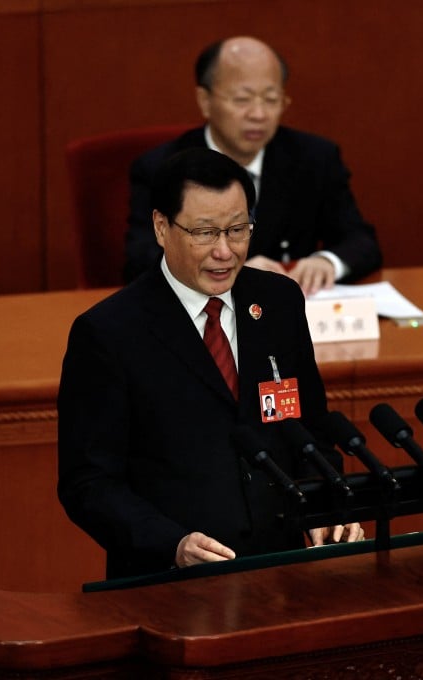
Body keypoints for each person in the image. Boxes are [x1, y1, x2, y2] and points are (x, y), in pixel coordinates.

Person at [59, 147, 363, 579]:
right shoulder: (109, 333)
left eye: (238, 230)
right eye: (204, 233)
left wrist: (327, 507)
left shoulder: (277, 302)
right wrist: (171, 544)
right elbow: (87, 483)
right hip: (169, 584)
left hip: (284, 574)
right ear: (162, 227)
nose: (225, 251)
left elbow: (311, 432)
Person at [124, 36, 381, 295]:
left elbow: (360, 240)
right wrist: (231, 269)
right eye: (242, 99)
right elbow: (139, 259)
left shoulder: (314, 157)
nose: (258, 114)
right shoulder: (162, 167)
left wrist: (327, 262)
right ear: (205, 101)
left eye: (270, 99)